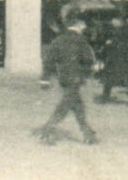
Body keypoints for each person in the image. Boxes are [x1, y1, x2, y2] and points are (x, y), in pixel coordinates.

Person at [37, 17, 99, 145]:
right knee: (65, 105)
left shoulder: (59, 40)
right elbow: (88, 59)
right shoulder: (81, 40)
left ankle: (88, 133)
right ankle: (47, 131)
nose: (84, 29)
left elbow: (49, 60)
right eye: (83, 26)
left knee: (77, 105)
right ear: (78, 26)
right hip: (77, 77)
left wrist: (45, 78)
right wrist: (93, 67)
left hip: (64, 77)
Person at [100, 16, 128, 106]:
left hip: (124, 58)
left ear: (120, 22)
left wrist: (109, 44)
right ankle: (105, 97)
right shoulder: (112, 31)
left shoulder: (127, 32)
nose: (113, 23)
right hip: (116, 59)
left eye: (114, 21)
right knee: (110, 79)